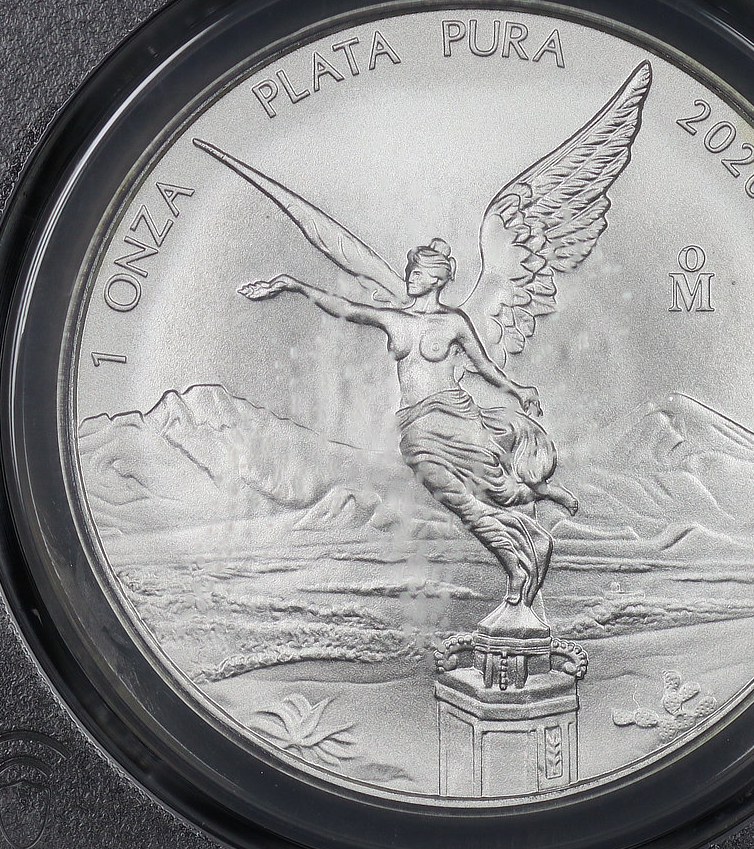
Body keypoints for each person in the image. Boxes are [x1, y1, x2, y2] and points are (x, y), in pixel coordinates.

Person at [240, 237, 576, 604]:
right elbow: (346, 308)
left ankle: (533, 511)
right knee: (460, 502)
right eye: (410, 272)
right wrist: (295, 285)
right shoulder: (394, 319)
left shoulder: (454, 322)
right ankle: (521, 552)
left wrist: (518, 389)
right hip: (416, 427)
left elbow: (484, 367)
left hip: (455, 414)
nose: (410, 278)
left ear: (436, 279)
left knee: (494, 489)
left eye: (417, 273)